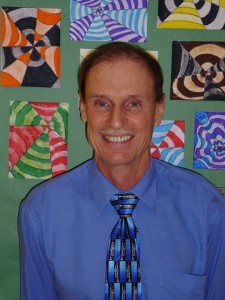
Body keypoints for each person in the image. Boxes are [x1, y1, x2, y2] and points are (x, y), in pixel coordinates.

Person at [19, 42, 225, 300]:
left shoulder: (208, 210)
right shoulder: (40, 213)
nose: (116, 121)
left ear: (158, 110)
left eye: (134, 104)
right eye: (102, 103)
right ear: (83, 108)